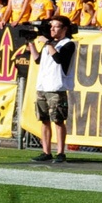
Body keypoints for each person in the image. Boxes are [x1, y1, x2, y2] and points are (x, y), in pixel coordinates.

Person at [30, 16, 77, 163]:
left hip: (57, 86)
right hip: (43, 86)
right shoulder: (48, 45)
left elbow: (59, 59)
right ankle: (46, 151)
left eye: (56, 27)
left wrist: (48, 42)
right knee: (44, 120)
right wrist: (30, 42)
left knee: (58, 120)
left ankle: (61, 152)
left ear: (64, 29)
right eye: (51, 27)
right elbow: (38, 60)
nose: (52, 29)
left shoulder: (68, 44)